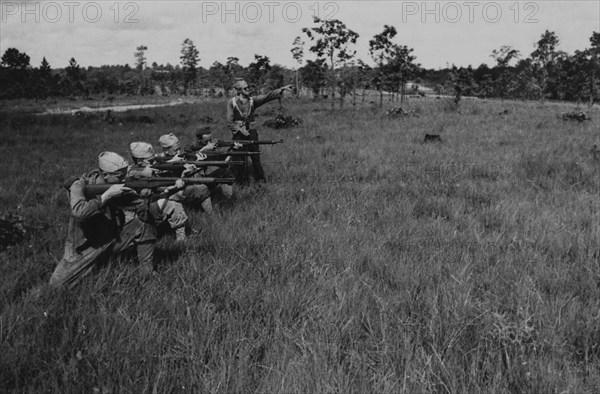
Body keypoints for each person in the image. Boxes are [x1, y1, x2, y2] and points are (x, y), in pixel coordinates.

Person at [49, 152, 165, 288]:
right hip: (85, 248)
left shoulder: (119, 186)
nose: (123, 179)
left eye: (124, 174)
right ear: (105, 175)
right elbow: (79, 212)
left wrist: (166, 193)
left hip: (112, 239)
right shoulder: (79, 185)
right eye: (119, 175)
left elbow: (146, 213)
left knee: (143, 224)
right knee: (55, 286)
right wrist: (107, 196)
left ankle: (147, 273)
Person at [226, 79, 293, 184]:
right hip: (239, 135)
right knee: (239, 159)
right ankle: (239, 183)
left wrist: (281, 90)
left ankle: (260, 182)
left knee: (256, 158)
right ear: (239, 90)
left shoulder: (253, 100)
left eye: (248, 87)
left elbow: (267, 96)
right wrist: (240, 130)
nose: (248, 89)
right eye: (245, 88)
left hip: (252, 133)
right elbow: (229, 122)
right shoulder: (232, 102)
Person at [128, 141, 190, 241]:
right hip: (134, 216)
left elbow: (161, 189)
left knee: (174, 204)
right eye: (150, 161)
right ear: (139, 161)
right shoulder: (128, 174)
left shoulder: (150, 173)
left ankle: (181, 239)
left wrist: (178, 184)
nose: (154, 164)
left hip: (150, 209)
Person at [156, 134, 215, 211]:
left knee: (199, 179)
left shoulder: (180, 157)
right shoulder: (158, 159)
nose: (179, 152)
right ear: (166, 150)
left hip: (178, 187)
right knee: (202, 189)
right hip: (167, 192)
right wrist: (172, 161)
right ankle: (210, 215)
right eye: (175, 150)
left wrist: (197, 163)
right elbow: (154, 171)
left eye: (179, 149)